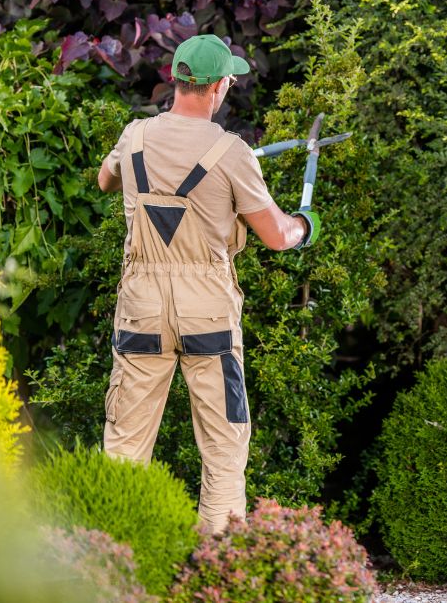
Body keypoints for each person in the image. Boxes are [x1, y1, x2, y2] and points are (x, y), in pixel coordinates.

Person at [96, 34, 320, 534]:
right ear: (219, 87)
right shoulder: (233, 153)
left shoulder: (134, 137)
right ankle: (217, 561)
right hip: (208, 313)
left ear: (177, 80)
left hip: (141, 307)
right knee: (223, 447)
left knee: (124, 445)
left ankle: (111, 561)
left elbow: (105, 181)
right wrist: (306, 225)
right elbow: (277, 236)